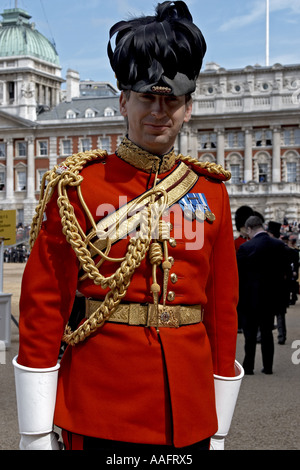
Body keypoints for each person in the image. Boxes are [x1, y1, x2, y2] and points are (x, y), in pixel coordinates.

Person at [13, 1, 243, 453]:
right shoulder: (77, 185)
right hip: (101, 403)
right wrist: (35, 430)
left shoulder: (210, 189)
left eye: (171, 100)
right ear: (123, 100)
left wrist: (218, 419)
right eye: (146, 97)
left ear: (188, 109)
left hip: (189, 408)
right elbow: (44, 305)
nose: (159, 111)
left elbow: (221, 310)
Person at [237, 216, 287, 374]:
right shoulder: (279, 245)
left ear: (249, 228)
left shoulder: (246, 247)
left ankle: (249, 366)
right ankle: (268, 367)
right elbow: (285, 271)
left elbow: (239, 275)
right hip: (271, 297)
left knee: (250, 334)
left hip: (250, 298)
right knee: (267, 333)